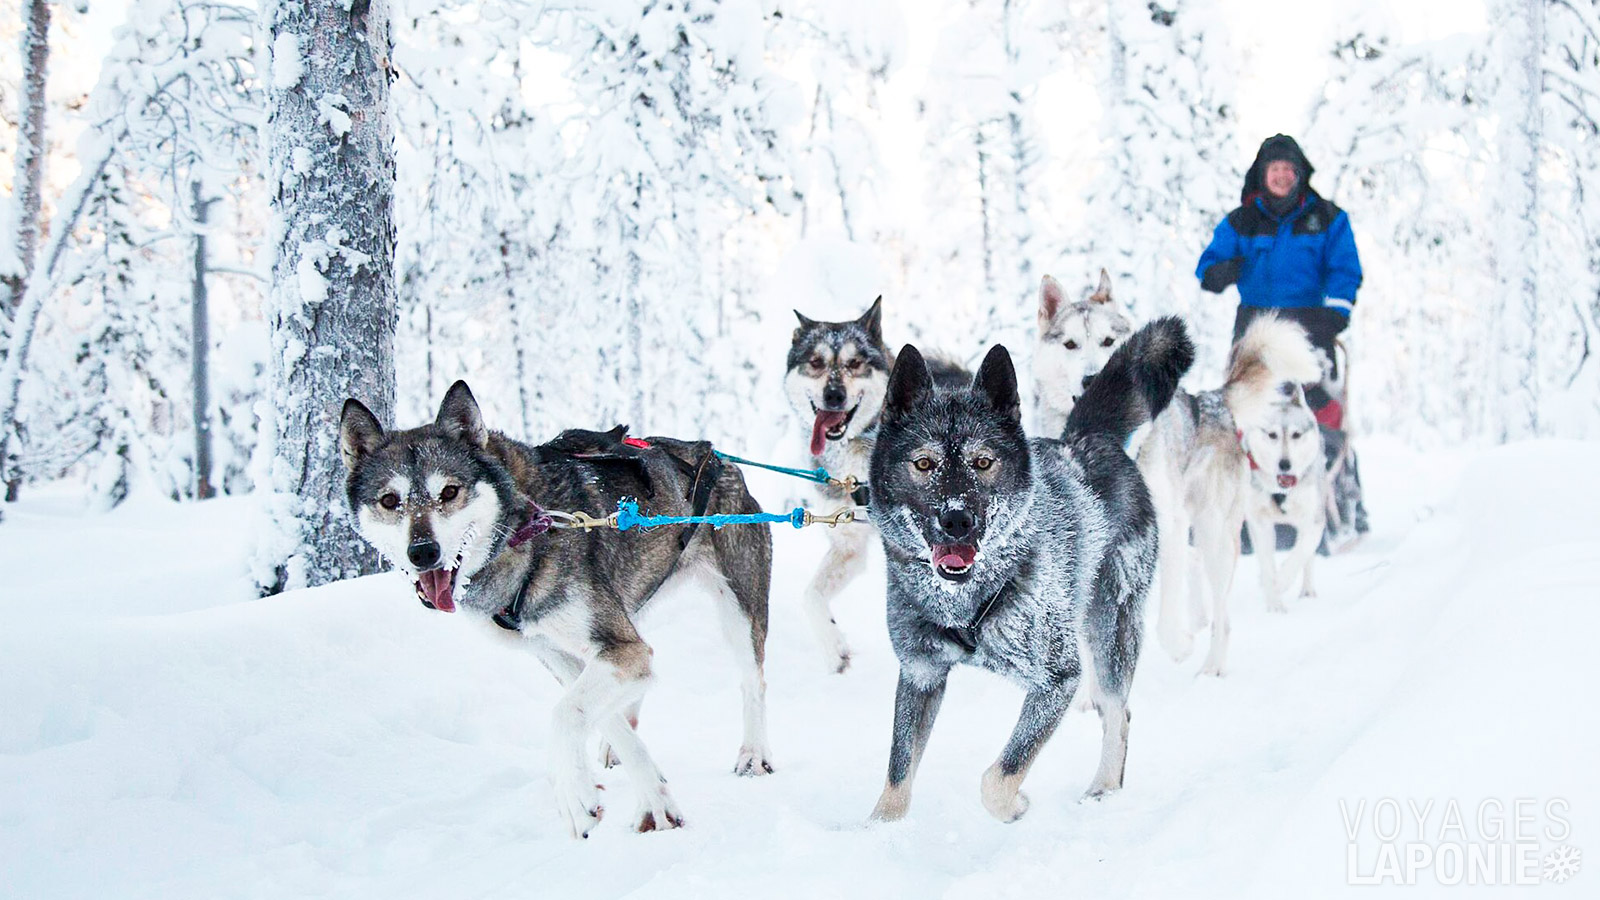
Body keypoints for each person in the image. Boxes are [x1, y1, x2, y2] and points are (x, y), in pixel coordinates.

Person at [1197, 134, 1369, 548]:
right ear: (1262, 175)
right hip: (1255, 335)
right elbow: (1208, 267)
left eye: (1288, 170)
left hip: (1312, 330)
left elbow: (1345, 269)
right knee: (1246, 418)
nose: (1281, 177)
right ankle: (1243, 514)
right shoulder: (1242, 221)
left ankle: (1339, 507)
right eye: (1274, 170)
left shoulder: (1327, 219)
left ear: (1300, 175)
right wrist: (1221, 271)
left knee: (1322, 417)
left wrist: (1334, 313)